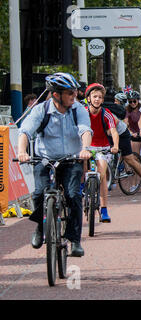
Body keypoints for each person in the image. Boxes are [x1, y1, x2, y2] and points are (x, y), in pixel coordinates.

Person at [17, 72, 92, 257]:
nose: (75, 96)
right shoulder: (40, 110)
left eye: (75, 92)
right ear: (56, 95)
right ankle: (41, 229)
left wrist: (85, 148)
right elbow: (25, 131)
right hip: (45, 159)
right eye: (69, 93)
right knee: (38, 194)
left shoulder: (78, 110)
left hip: (71, 159)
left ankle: (74, 240)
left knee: (73, 195)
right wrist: (21, 152)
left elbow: (85, 130)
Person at [85, 83, 119, 222]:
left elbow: (114, 131)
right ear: (88, 98)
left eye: (100, 97)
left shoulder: (106, 113)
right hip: (86, 147)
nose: (97, 99)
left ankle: (104, 209)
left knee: (102, 174)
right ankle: (82, 185)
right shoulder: (83, 112)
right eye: (94, 97)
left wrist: (115, 145)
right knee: (80, 163)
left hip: (103, 147)